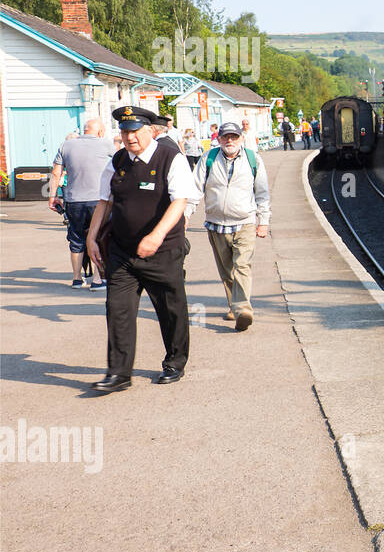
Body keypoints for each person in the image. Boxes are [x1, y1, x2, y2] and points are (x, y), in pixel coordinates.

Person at [85, 105, 202, 392]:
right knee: (118, 309)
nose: (129, 137)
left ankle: (175, 362)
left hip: (162, 251)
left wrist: (157, 235)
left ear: (150, 130)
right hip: (123, 252)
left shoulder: (170, 158)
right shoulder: (118, 160)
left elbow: (180, 201)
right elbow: (105, 201)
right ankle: (119, 373)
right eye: (124, 132)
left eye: (135, 131)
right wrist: (91, 237)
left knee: (170, 309)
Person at [195, 121, 270, 331]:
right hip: (216, 224)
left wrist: (263, 221)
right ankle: (233, 306)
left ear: (241, 139)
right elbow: (194, 189)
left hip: (244, 222)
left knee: (242, 266)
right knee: (227, 270)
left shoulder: (253, 159)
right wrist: (183, 217)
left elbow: (262, 193)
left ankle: (243, 309)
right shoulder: (208, 159)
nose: (230, 141)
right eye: (226, 137)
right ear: (218, 139)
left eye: (234, 137)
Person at [49, 118, 114, 289]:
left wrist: (53, 196)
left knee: (76, 238)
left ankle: (77, 278)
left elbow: (56, 173)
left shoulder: (66, 145)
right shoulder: (106, 144)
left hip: (73, 200)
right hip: (98, 200)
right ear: (100, 132)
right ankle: (98, 279)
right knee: (99, 237)